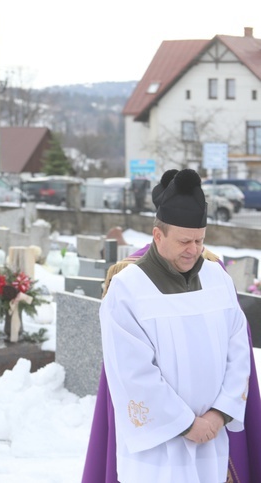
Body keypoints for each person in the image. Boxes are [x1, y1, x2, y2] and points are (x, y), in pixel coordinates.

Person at [97, 169, 251, 482]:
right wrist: (186, 424)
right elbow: (131, 373)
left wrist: (218, 414)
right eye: (184, 241)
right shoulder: (127, 289)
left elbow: (239, 354)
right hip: (157, 451)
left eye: (200, 240)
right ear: (158, 235)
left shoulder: (218, 280)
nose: (194, 250)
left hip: (211, 440)